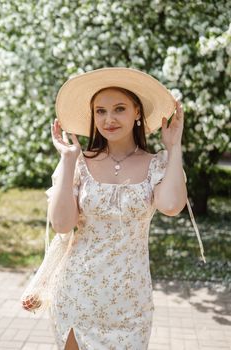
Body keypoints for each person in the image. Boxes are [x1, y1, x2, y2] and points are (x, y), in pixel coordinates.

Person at [45, 67, 206, 350]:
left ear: (137, 112)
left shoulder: (157, 164)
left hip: (130, 302)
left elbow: (171, 206)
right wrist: (69, 159)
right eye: (100, 111)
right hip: (77, 294)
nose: (108, 119)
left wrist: (174, 146)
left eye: (119, 108)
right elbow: (62, 224)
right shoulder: (79, 163)